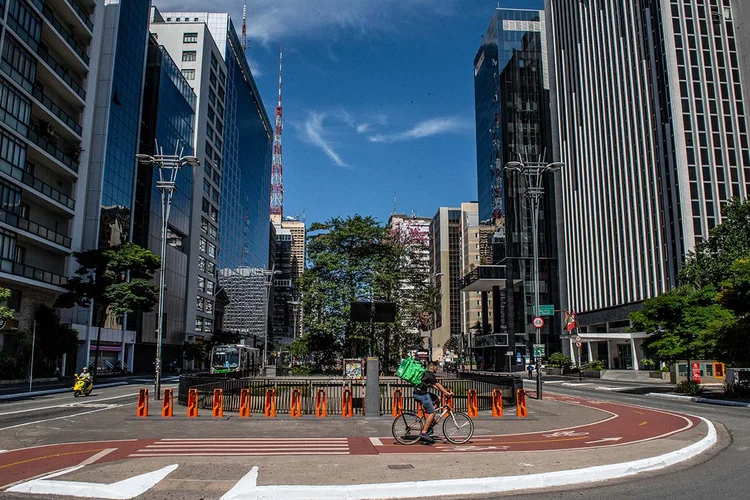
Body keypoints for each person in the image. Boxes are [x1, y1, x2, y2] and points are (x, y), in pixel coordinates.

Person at [413, 362, 453, 444]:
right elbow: (438, 384)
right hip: (421, 395)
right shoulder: (430, 375)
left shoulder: (426, 373)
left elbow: (433, 385)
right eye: (436, 367)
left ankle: (430, 421)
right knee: (432, 413)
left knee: (437, 398)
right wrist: (447, 393)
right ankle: (424, 432)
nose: (437, 369)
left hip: (419, 393)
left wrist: (442, 391)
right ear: (433, 367)